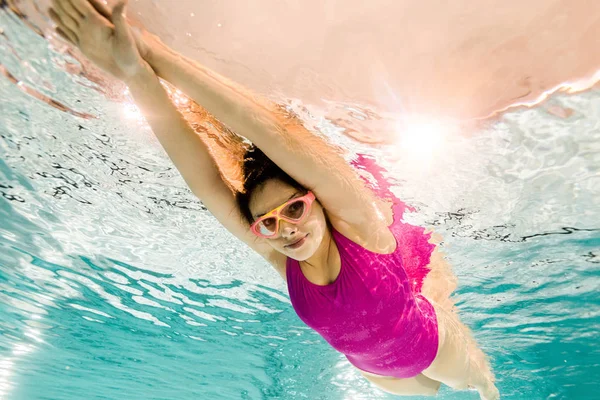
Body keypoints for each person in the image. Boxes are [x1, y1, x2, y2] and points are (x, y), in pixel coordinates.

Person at [48, 1, 500, 398]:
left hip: (429, 344)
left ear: (317, 200)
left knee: (473, 385)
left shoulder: (361, 226)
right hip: (376, 372)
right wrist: (132, 75)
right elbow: (202, 180)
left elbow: (275, 133)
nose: (285, 229)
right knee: (424, 395)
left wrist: (150, 56)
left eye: (294, 208)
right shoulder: (282, 259)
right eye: (268, 222)